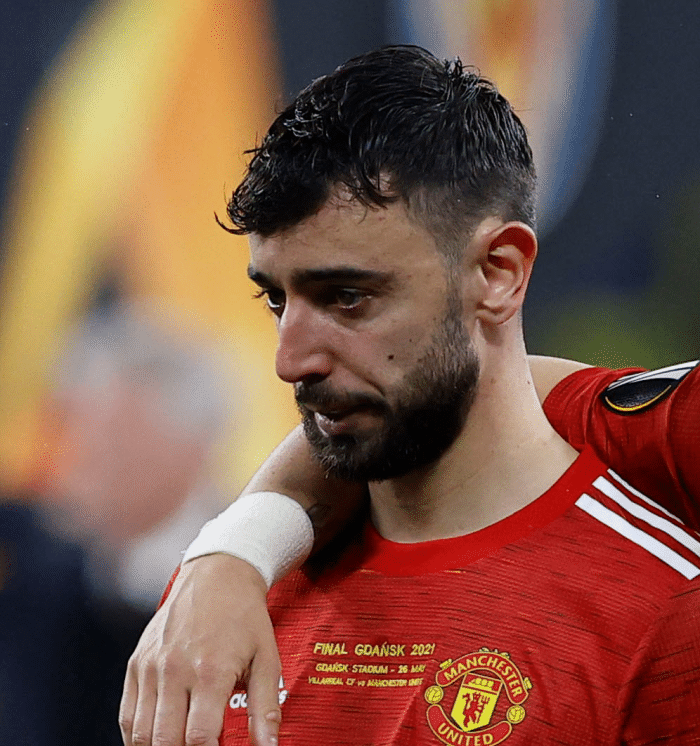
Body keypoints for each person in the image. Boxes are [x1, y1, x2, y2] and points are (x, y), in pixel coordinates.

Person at [120, 46, 700, 746]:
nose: (289, 362)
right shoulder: (223, 603)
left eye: (349, 297)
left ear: (498, 274)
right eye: (276, 299)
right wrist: (237, 548)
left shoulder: (662, 622)